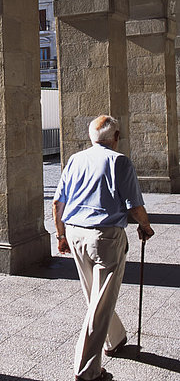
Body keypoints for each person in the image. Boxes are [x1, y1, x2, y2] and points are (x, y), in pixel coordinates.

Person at [53, 115, 154, 381]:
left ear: (91, 138)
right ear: (116, 137)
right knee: (99, 303)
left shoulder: (76, 159)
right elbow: (134, 205)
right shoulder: (119, 161)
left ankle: (115, 338)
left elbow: (57, 202)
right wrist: (145, 225)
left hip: (74, 233)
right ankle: (86, 372)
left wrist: (60, 235)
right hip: (105, 238)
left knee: (94, 295)